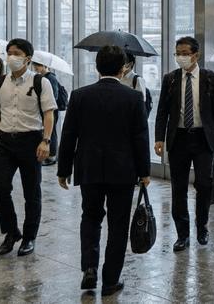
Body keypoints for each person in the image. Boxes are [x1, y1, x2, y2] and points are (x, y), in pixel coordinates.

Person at [57, 45, 150, 296]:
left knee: (90, 217)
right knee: (118, 224)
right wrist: (144, 172)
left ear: (97, 67)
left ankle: (89, 269)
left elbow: (68, 135)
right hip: (123, 170)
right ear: (123, 69)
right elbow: (140, 137)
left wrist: (63, 169)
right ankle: (110, 280)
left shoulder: (79, 95)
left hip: (89, 168)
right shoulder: (133, 98)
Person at [154, 36, 214, 252]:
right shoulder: (170, 79)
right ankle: (182, 234)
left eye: (184, 53)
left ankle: (202, 226)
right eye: (177, 53)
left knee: (205, 184)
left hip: (203, 138)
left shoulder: (210, 78)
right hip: (178, 138)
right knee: (178, 187)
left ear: (195, 55)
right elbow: (162, 111)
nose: (180, 57)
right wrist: (159, 137)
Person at [0, 38, 57, 256]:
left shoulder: (40, 82)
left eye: (16, 53)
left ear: (27, 59)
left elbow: (49, 113)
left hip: (31, 141)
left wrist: (45, 141)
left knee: (32, 193)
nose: (11, 57)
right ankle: (11, 232)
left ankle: (29, 237)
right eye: (9, 52)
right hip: (4, 141)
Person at [31, 58, 60, 167]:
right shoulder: (43, 78)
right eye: (35, 65)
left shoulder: (50, 78)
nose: (36, 68)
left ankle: (52, 156)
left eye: (38, 65)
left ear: (43, 66)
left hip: (52, 109)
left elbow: (54, 95)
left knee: (51, 132)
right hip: (46, 108)